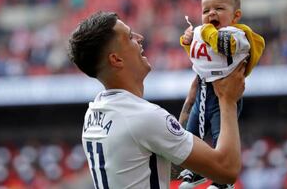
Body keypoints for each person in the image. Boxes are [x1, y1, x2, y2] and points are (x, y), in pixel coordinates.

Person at [68, 11, 246, 189]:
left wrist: (190, 104)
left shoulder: (94, 113)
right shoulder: (141, 116)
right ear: (116, 59)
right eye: (130, 37)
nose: (140, 38)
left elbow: (156, 164)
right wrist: (227, 101)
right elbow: (226, 169)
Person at [178, 0, 265, 189]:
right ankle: (195, 170)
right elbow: (199, 56)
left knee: (221, 137)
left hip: (226, 90)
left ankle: (222, 183)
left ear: (236, 16)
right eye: (206, 10)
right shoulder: (205, 32)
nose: (211, 14)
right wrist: (188, 41)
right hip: (203, 88)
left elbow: (224, 46)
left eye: (219, 8)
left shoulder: (239, 33)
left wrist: (205, 31)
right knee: (192, 134)